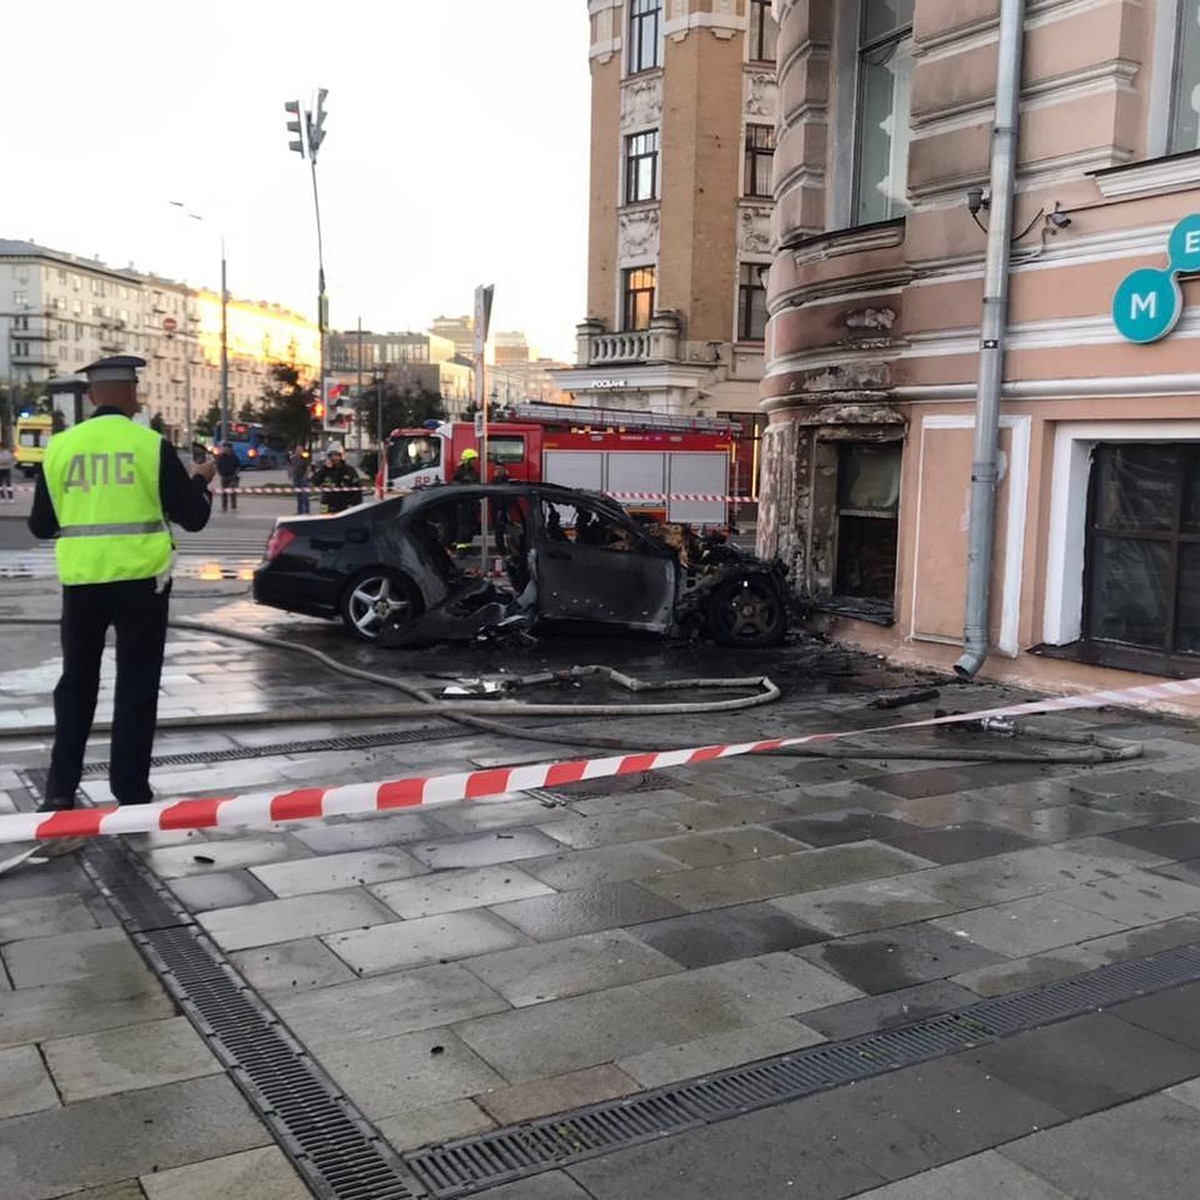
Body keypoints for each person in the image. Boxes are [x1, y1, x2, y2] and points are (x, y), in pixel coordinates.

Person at [27, 355, 215, 812]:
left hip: (83, 580)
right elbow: (193, 517)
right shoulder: (150, 445)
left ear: (91, 397)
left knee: (76, 683)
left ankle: (59, 790)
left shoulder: (60, 448)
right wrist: (201, 481)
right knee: (136, 683)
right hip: (141, 582)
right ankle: (130, 791)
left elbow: (39, 525)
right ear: (132, 394)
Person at [311, 446, 360, 514]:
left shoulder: (349, 470)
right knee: (324, 521)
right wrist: (325, 469)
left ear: (341, 456)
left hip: (343, 504)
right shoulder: (325, 470)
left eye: (336, 455)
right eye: (332, 456)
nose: (334, 458)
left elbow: (357, 488)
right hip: (326, 503)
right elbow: (315, 481)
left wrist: (355, 504)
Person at [215, 441, 239, 512]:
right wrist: (219, 472)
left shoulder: (234, 457)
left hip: (232, 476)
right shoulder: (221, 457)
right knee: (224, 492)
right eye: (224, 448)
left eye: (227, 448)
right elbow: (218, 465)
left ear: (231, 448)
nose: (225, 449)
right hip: (224, 476)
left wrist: (235, 473)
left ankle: (233, 506)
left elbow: (238, 466)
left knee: (233, 492)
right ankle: (224, 507)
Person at [289, 446, 311, 514]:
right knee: (298, 496)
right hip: (296, 478)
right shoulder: (293, 458)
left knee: (305, 496)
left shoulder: (305, 458)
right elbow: (290, 466)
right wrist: (290, 474)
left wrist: (306, 476)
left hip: (303, 479)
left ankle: (307, 511)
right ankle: (300, 511)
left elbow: (308, 467)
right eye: (297, 450)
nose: (299, 452)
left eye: (300, 450)